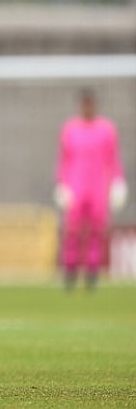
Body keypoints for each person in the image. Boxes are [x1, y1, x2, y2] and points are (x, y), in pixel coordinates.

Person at [54, 89, 126, 291]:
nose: (87, 108)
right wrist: (61, 183)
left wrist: (118, 182)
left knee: (97, 230)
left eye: (90, 104)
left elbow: (113, 159)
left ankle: (93, 271)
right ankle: (70, 270)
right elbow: (64, 159)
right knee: (72, 231)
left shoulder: (107, 129)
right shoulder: (70, 129)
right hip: (75, 185)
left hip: (98, 186)